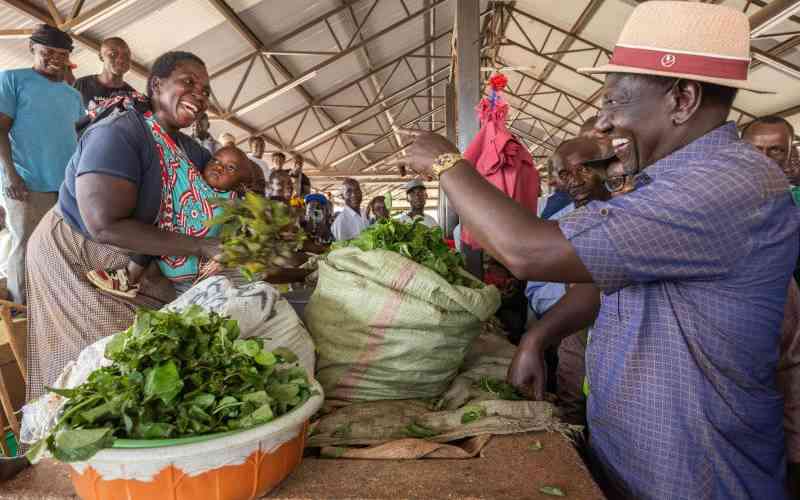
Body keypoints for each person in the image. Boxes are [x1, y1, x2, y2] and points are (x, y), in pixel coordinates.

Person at [397, 3, 796, 498]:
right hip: (638, 457)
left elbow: (528, 251)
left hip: (693, 472)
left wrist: (447, 162)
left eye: (616, 103)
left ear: (683, 99)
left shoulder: (723, 185)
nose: (603, 125)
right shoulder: (665, 184)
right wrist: (536, 338)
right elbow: (599, 278)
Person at [25, 51, 221, 409]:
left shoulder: (184, 146)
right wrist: (204, 247)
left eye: (205, 90)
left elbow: (225, 180)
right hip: (76, 251)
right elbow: (104, 223)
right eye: (188, 82)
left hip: (133, 255)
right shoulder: (119, 132)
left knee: (162, 346)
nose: (199, 95)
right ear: (156, 85)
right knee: (106, 362)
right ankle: (67, 452)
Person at [85, 145, 254, 298]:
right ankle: (130, 277)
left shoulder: (233, 203)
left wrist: (222, 258)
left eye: (230, 168)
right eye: (215, 160)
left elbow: (239, 235)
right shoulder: (191, 181)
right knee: (155, 219)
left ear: (239, 186)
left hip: (198, 275)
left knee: (196, 310)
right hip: (167, 246)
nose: (218, 167)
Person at [0, 25, 84, 304]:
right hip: (26, 183)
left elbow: (76, 138)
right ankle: (21, 310)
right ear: (32, 49)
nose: (55, 59)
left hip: (65, 186)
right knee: (25, 245)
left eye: (62, 54)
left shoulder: (73, 95)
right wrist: (11, 176)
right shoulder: (12, 79)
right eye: (47, 52)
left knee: (60, 247)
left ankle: (53, 306)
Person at [73, 37, 134, 110]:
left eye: (126, 54)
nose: (121, 59)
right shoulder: (82, 85)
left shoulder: (133, 96)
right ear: (101, 57)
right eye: (113, 54)